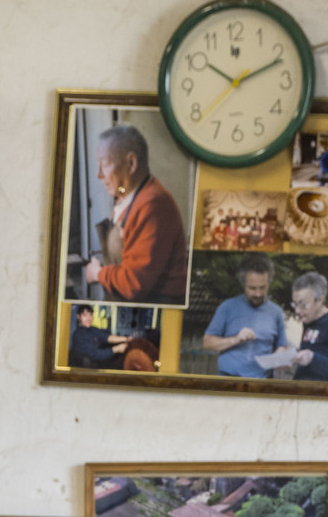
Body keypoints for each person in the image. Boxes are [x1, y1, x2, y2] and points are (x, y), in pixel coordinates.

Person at [80, 124, 188, 306]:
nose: (99, 174)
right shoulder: (127, 197)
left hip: (156, 306)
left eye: (105, 164)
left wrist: (98, 273)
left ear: (131, 164)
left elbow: (134, 283)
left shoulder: (152, 205)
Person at [201, 255, 287, 378]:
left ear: (269, 283)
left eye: (263, 288)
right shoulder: (227, 307)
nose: (258, 293)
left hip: (263, 383)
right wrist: (237, 339)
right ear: (243, 284)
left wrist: (280, 354)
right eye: (252, 288)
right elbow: (208, 343)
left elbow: (282, 345)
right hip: (229, 381)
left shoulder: (276, 311)